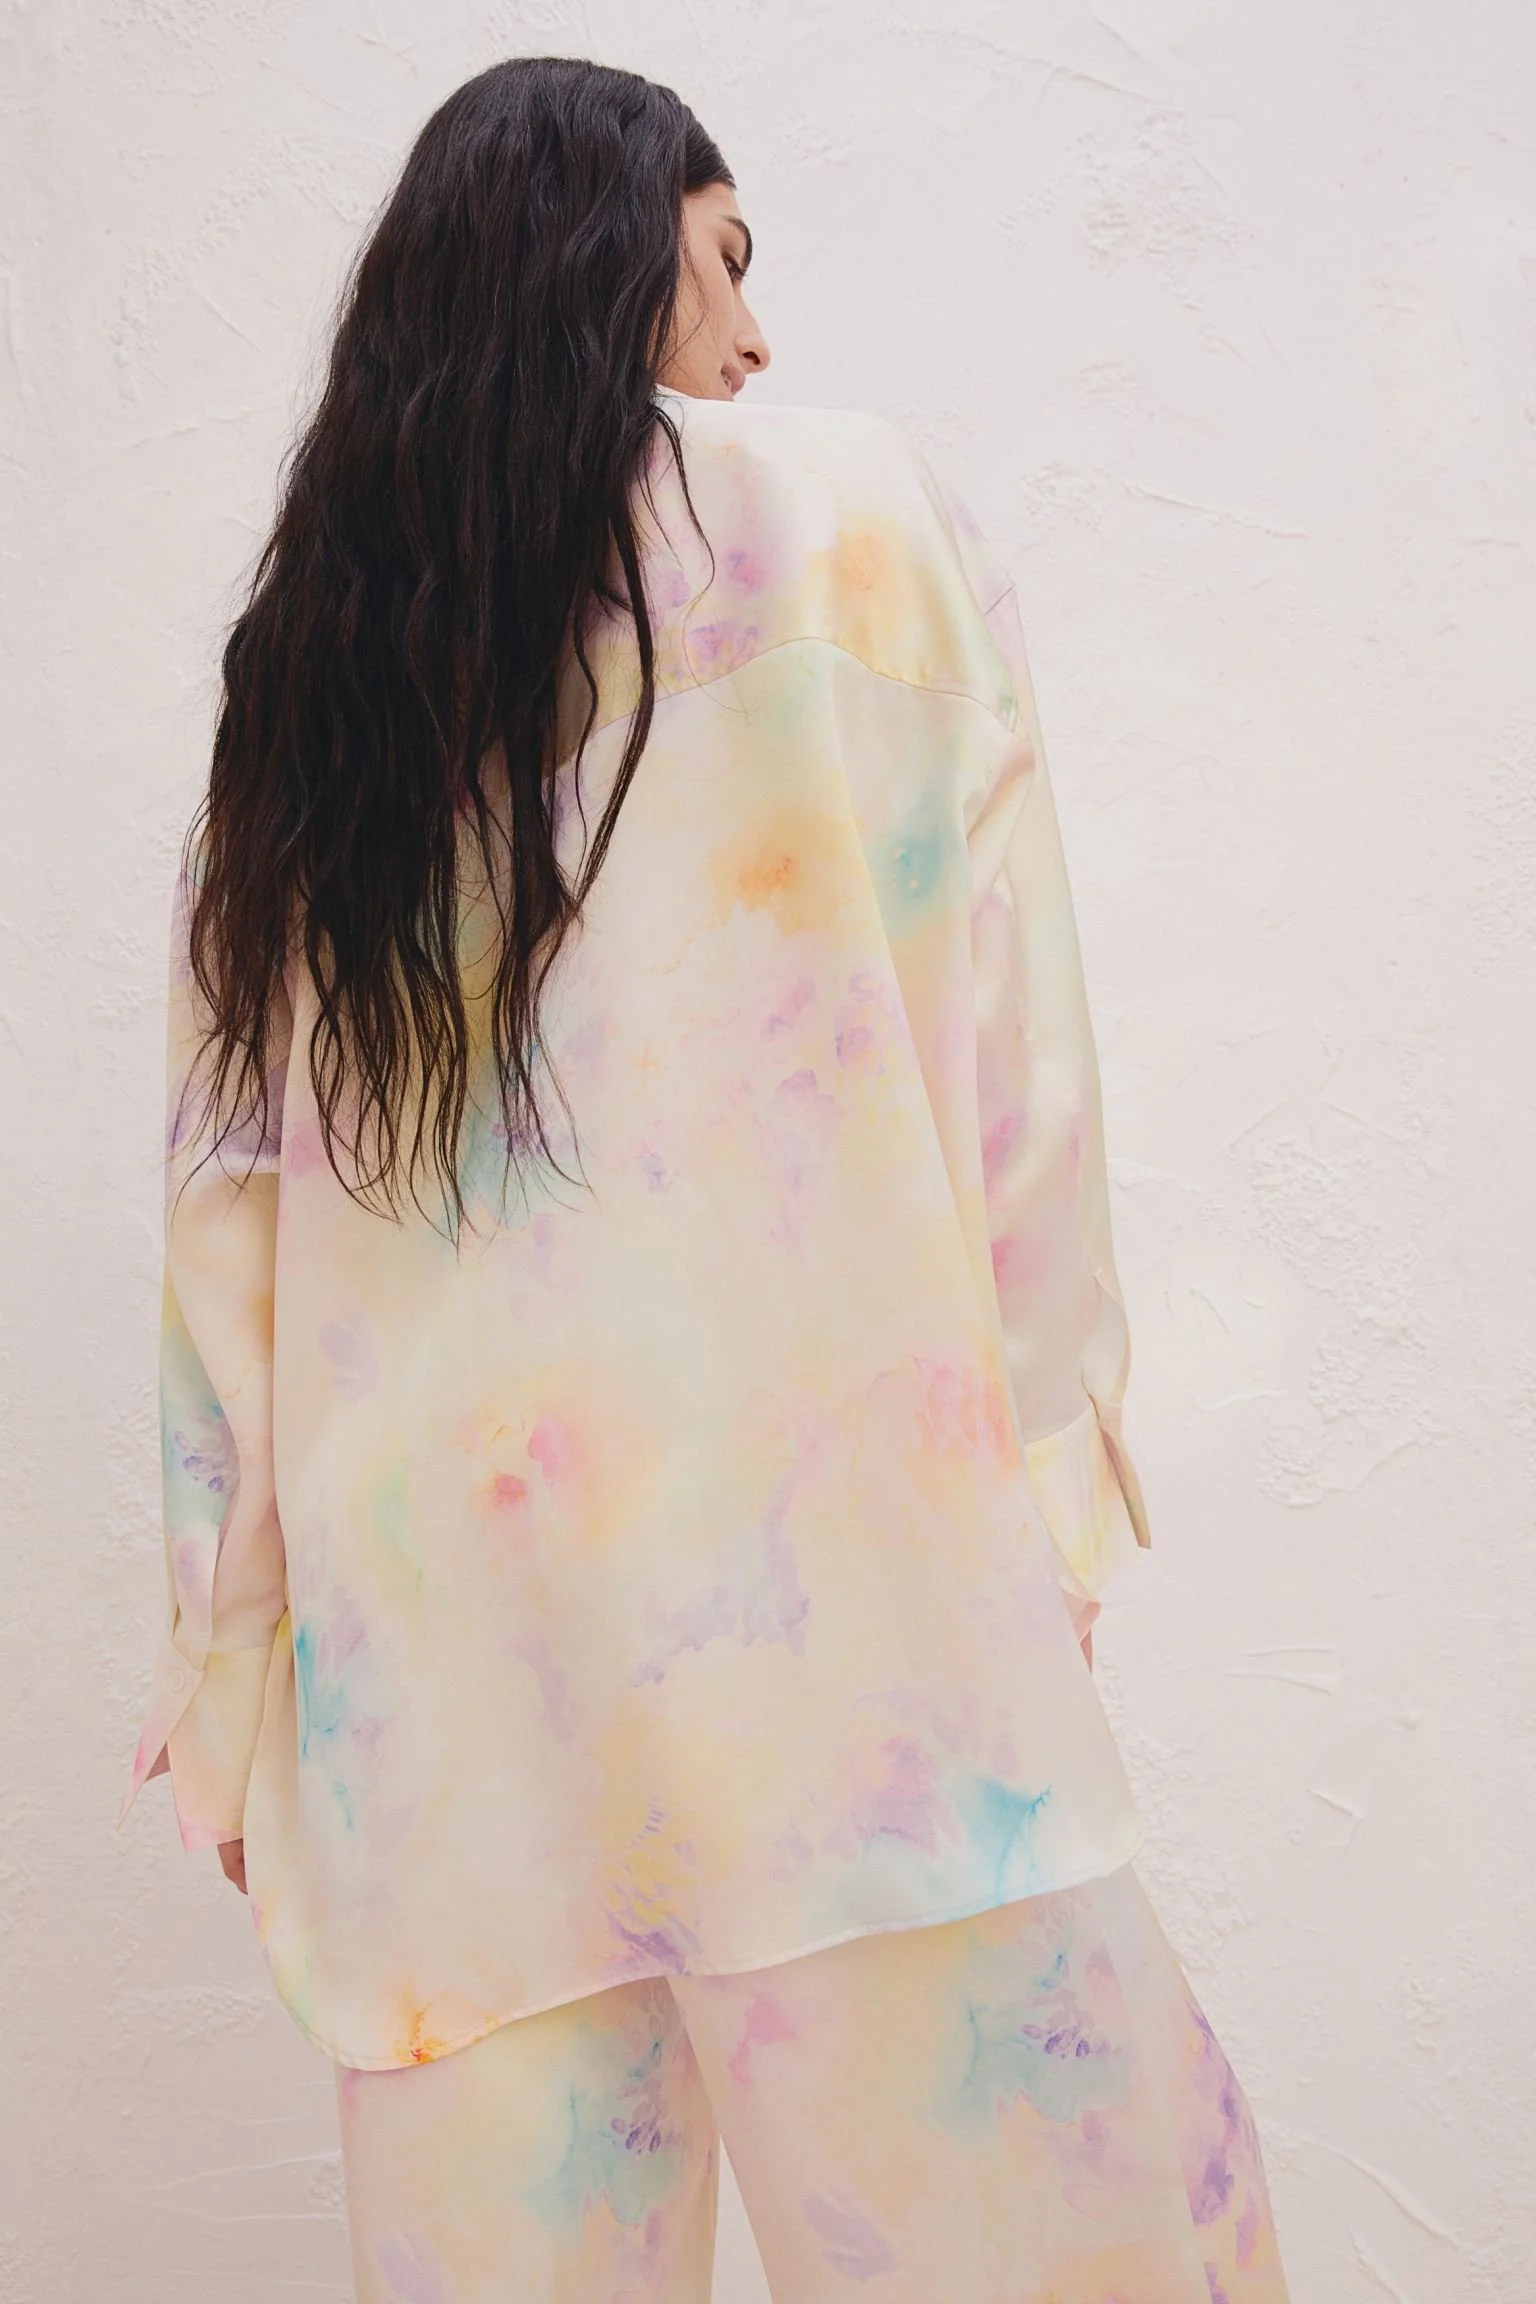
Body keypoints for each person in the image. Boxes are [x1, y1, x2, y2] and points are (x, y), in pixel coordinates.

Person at [119, 53, 1292, 2304]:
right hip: (850, 1633)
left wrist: (240, 1667)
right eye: (725, 258)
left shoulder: (307, 711)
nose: (754, 334)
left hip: (452, 1702)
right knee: (1073, 2246)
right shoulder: (845, 522)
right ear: (597, 252)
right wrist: (1045, 1477)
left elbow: (225, 1232)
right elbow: (1013, 1049)